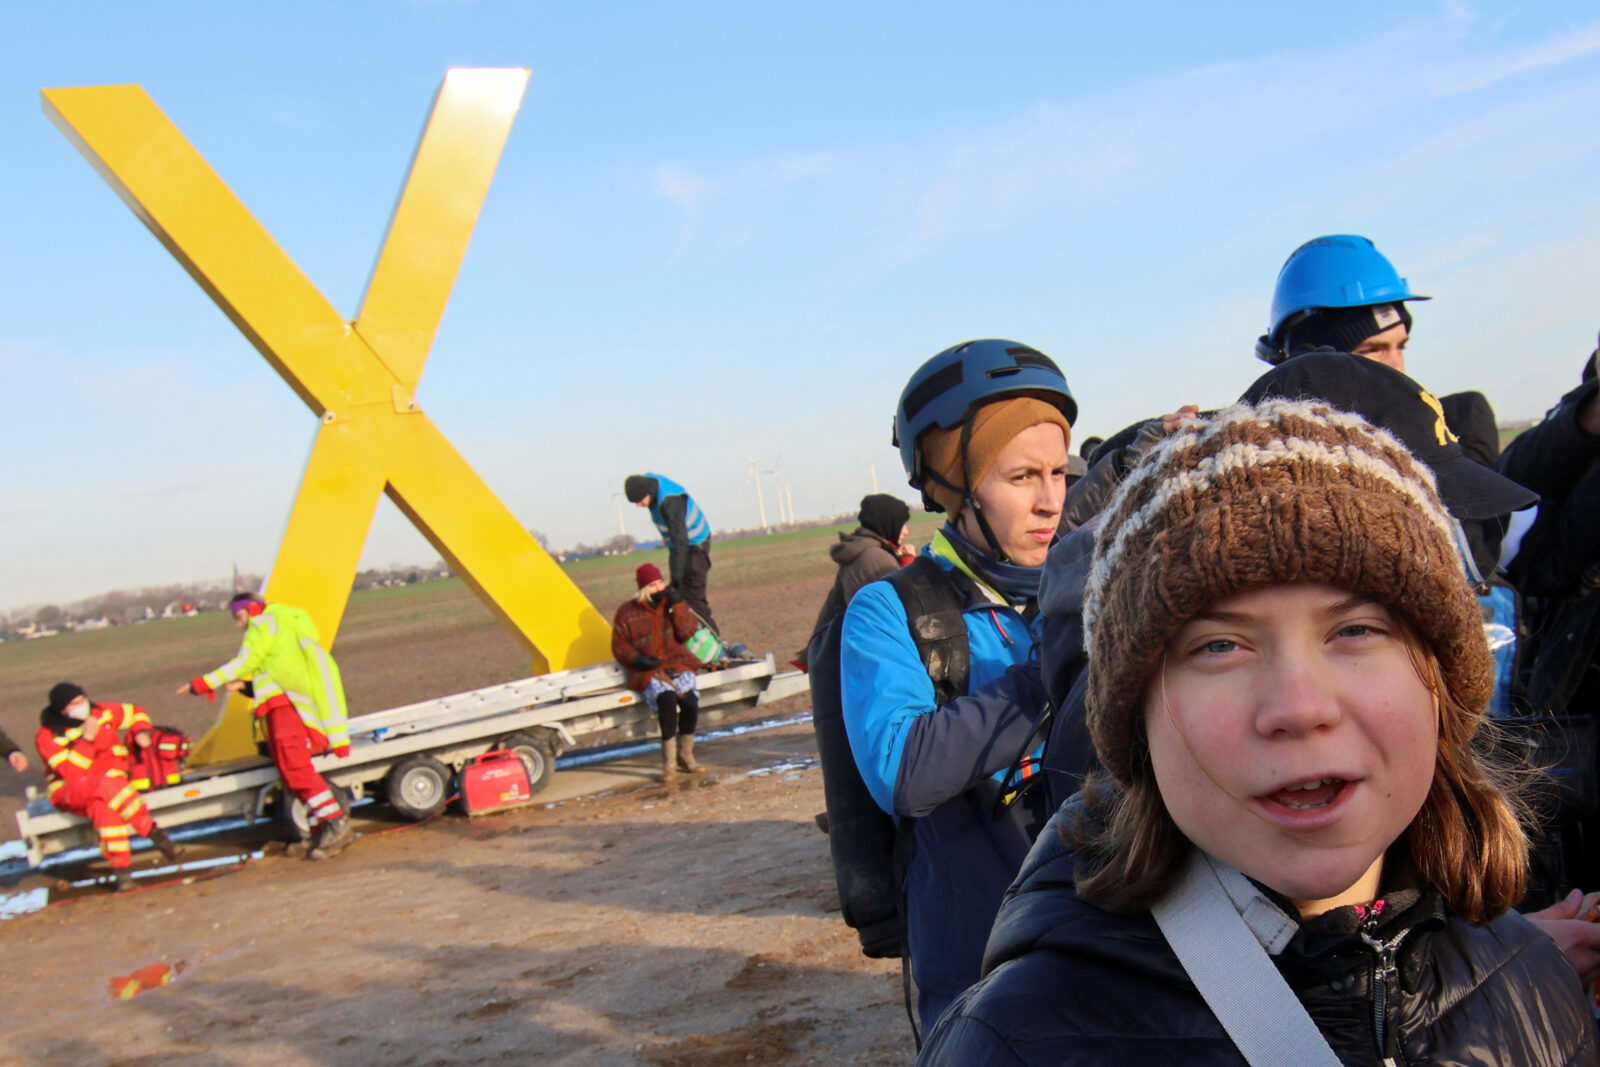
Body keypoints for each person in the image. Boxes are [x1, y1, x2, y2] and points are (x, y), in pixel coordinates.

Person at [918, 399, 1597, 1065]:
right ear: (1137, 719)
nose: (1299, 706)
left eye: (1355, 630)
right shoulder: (1015, 1041)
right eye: (1219, 646)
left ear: (1443, 682)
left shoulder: (1536, 987)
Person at [840, 338, 1075, 1035]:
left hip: (1108, 932)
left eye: (1060, 472)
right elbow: (904, 770)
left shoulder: (1087, 585)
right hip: (979, 957)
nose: (1049, 500)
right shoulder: (892, 610)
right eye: (1021, 476)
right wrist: (1054, 669)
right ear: (955, 486)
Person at [178, 593, 353, 860]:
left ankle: (336, 825)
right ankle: (319, 831)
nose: (239, 626)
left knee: (297, 771)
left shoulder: (263, 623)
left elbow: (246, 661)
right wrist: (246, 687)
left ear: (250, 610)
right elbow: (276, 674)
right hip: (285, 708)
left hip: (284, 711)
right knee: (292, 774)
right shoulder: (285, 624)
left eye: (238, 618)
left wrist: (202, 684)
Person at [35, 683, 182, 890]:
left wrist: (142, 732)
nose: (83, 706)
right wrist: (87, 739)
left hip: (109, 789)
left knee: (104, 810)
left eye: (83, 699)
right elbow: (72, 774)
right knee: (105, 785)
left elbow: (136, 712)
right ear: (62, 710)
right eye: (75, 704)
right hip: (70, 791)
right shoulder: (48, 736)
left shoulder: (101, 712)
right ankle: (156, 835)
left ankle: (123, 875)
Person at [612, 562, 707, 783]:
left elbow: (687, 632)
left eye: (660, 583)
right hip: (648, 669)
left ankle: (686, 755)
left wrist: (678, 607)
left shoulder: (671, 604)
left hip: (677, 664)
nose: (658, 588)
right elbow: (619, 645)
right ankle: (669, 764)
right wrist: (637, 659)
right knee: (666, 700)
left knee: (691, 701)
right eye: (653, 585)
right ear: (644, 588)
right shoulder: (627, 612)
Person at [805, 492, 915, 655]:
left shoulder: (860, 553)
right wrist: (908, 563)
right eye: (902, 524)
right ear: (887, 522)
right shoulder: (876, 559)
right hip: (879, 653)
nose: (906, 531)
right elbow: (909, 606)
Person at [624, 473, 717, 633]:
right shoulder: (649, 484)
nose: (638, 505)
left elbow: (681, 543)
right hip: (679, 546)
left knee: (693, 597)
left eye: (639, 501)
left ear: (647, 492)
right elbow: (676, 547)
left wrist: (677, 581)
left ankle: (715, 642)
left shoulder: (670, 503)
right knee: (678, 593)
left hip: (696, 544)